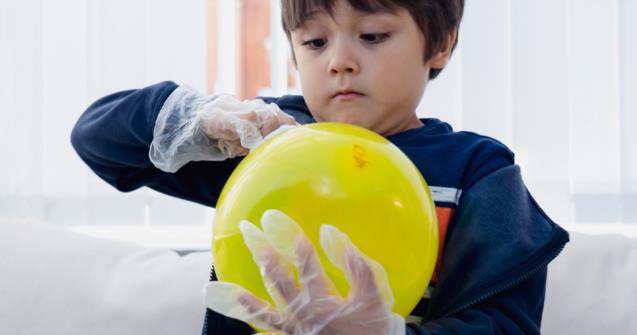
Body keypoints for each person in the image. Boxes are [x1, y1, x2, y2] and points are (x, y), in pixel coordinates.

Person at [70, 0, 570, 334]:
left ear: (440, 44)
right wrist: (199, 124)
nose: (340, 61)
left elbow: (506, 324)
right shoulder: (268, 144)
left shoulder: (478, 171)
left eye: (372, 35)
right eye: (314, 42)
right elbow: (96, 140)